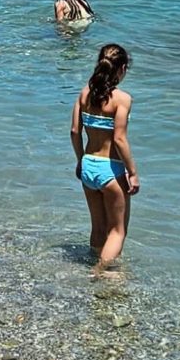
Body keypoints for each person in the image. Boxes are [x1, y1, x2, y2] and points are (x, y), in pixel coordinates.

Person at [69, 43, 139, 272]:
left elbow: (75, 132)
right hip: (111, 170)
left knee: (98, 228)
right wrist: (133, 173)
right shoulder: (122, 99)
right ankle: (100, 273)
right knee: (117, 231)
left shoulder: (85, 93)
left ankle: (95, 264)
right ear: (122, 69)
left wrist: (81, 160)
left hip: (88, 165)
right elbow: (119, 139)